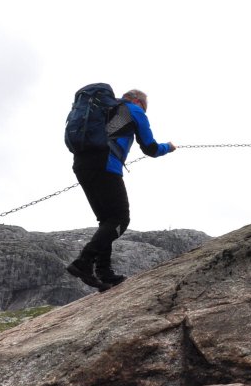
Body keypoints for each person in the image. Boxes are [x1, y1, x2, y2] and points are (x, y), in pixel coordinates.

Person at [67, 89, 175, 291]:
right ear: (137, 101)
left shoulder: (105, 109)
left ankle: (104, 273)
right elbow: (150, 148)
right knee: (120, 219)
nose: (144, 110)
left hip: (81, 164)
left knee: (106, 220)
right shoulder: (133, 110)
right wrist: (168, 147)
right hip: (106, 165)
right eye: (145, 106)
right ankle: (84, 262)